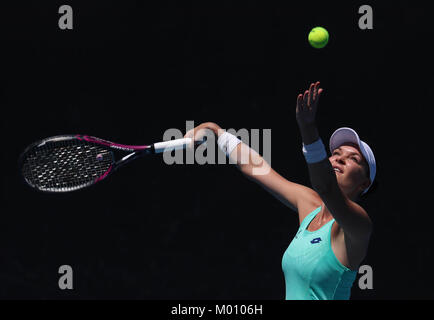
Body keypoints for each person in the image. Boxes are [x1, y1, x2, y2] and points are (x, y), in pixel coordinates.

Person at [184, 81, 376, 300]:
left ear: (364, 183)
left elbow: (326, 186)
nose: (340, 157)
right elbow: (255, 168)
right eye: (337, 152)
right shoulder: (310, 205)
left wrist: (308, 129)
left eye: (354, 159)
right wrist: (216, 132)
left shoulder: (359, 226)